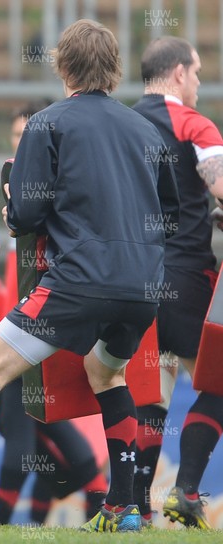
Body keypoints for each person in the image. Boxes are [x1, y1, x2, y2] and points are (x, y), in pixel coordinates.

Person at [0, 18, 179, 532]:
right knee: (108, 374)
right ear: (115, 70)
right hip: (144, 289)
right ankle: (122, 508)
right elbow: (171, 215)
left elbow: (26, 216)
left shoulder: (47, 123)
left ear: (62, 66)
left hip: (76, 282)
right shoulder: (146, 129)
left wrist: (12, 209)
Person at [0, 104, 108, 526]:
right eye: (16, 136)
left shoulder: (60, 194)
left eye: (28, 136)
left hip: (50, 324)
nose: (21, 144)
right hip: (17, 331)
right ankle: (18, 523)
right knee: (39, 447)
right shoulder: (13, 192)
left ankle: (0, 523)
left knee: (61, 452)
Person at [131, 36, 223, 529]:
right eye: (199, 72)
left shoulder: (120, 123)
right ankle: (186, 491)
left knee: (152, 390)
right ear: (178, 73)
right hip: (187, 275)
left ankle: (136, 505)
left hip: (131, 280)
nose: (200, 83)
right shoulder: (193, 124)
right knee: (218, 385)